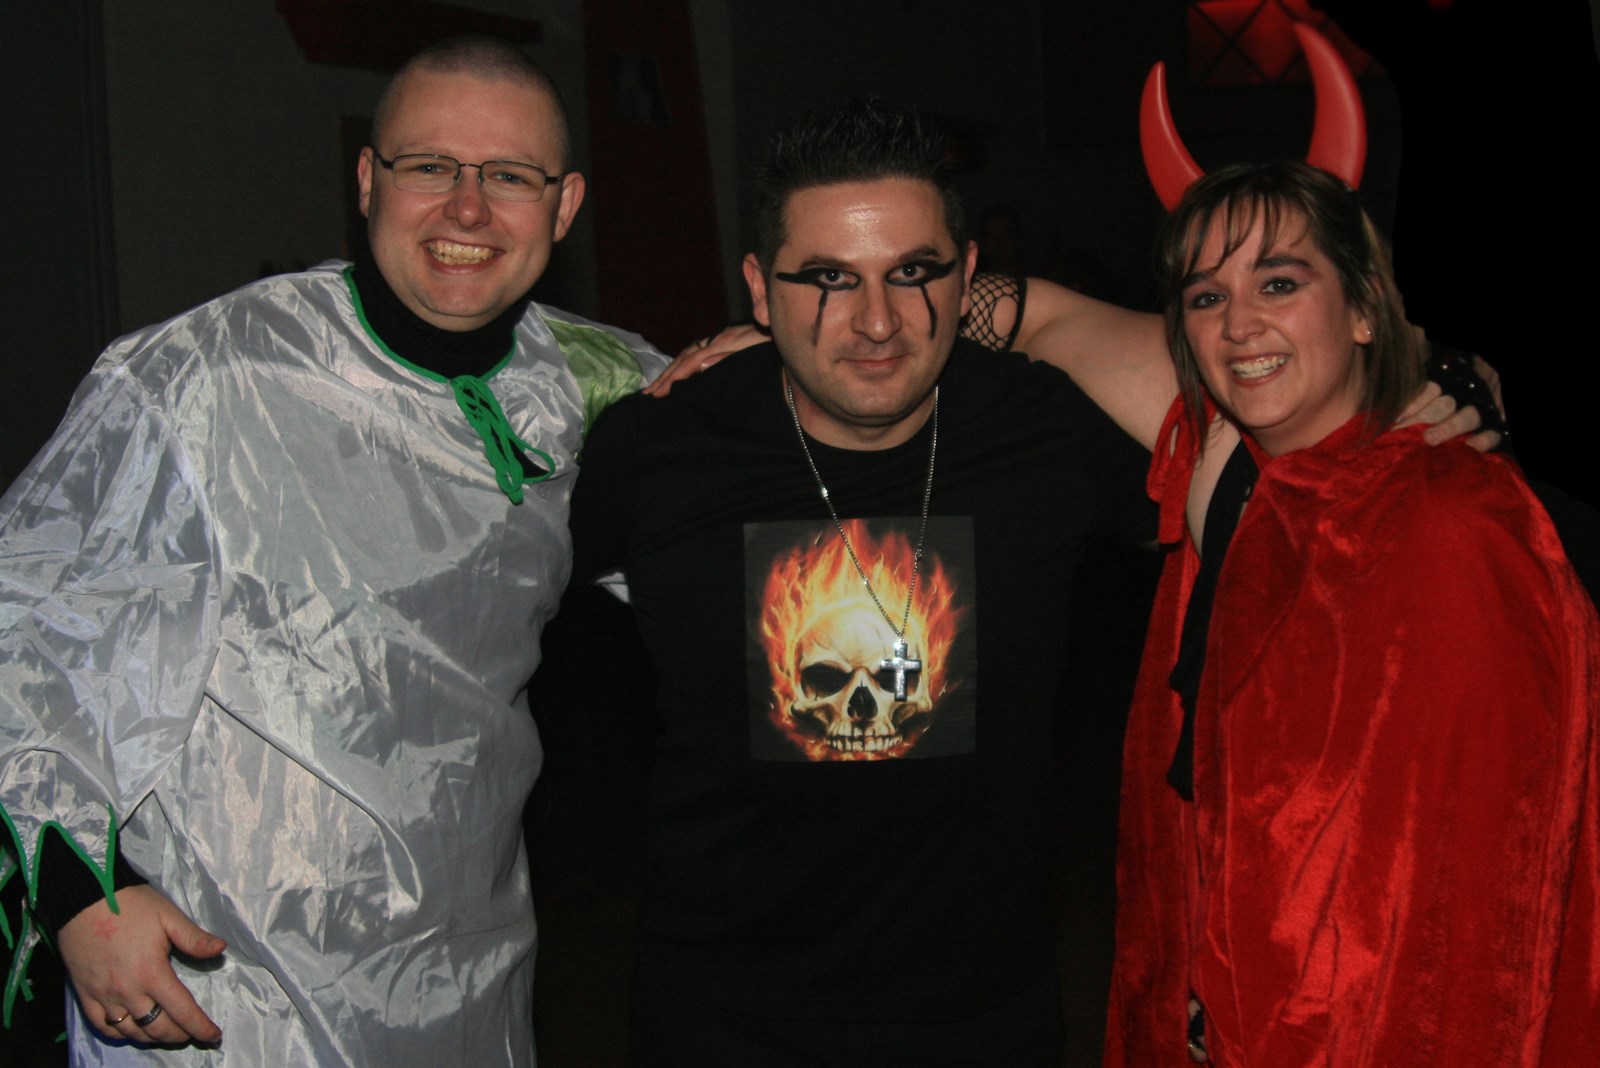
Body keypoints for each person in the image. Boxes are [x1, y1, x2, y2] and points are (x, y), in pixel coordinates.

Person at [0, 35, 664, 1066]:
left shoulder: (590, 386)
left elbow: (791, 445)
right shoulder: (205, 377)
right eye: (429, 166)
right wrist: (80, 895)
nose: (467, 209)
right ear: (366, 179)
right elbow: (24, 632)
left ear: (564, 205)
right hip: (223, 992)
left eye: (509, 176)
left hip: (469, 980)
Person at [568, 99, 1158, 1063]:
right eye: (828, 279)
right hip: (723, 1022)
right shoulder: (658, 448)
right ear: (759, 291)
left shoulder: (1046, 429)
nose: (877, 321)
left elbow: (1291, 443)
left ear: (968, 278)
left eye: (913, 272)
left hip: (985, 1020)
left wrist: (1429, 389)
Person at [1102, 160, 1599, 1065]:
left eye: (1279, 283)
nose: (1239, 323)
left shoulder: (1450, 522)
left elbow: (1475, 896)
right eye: (1206, 297)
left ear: (1367, 308)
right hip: (1242, 1006)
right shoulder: (1240, 488)